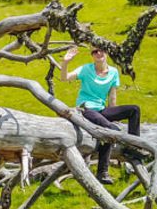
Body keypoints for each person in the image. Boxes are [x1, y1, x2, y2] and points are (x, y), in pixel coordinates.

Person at [60, 45, 141, 184]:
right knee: (109, 129)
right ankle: (102, 172)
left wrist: (113, 115)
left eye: (101, 50)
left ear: (107, 53)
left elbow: (112, 97)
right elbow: (64, 78)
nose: (98, 53)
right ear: (92, 56)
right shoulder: (86, 69)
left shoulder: (113, 72)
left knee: (134, 109)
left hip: (101, 109)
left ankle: (132, 147)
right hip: (86, 109)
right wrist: (66, 62)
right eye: (95, 52)